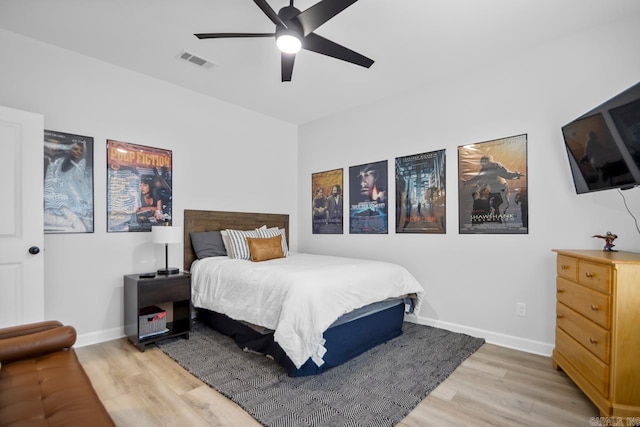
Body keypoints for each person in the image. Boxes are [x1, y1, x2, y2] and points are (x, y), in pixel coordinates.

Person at [43, 141, 93, 232]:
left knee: (87, 227)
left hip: (74, 206)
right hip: (60, 205)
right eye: (75, 149)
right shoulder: (57, 164)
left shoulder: (77, 168)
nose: (78, 152)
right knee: (80, 228)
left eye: (80, 150)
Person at [463, 155, 523, 219]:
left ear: (489, 161)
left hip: (501, 188)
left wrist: (515, 175)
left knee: (503, 203)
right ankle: (496, 217)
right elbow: (478, 177)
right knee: (492, 204)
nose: (483, 164)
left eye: (484, 162)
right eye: (482, 162)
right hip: (493, 189)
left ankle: (501, 217)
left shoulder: (496, 166)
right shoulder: (483, 169)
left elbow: (506, 174)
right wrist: (468, 182)